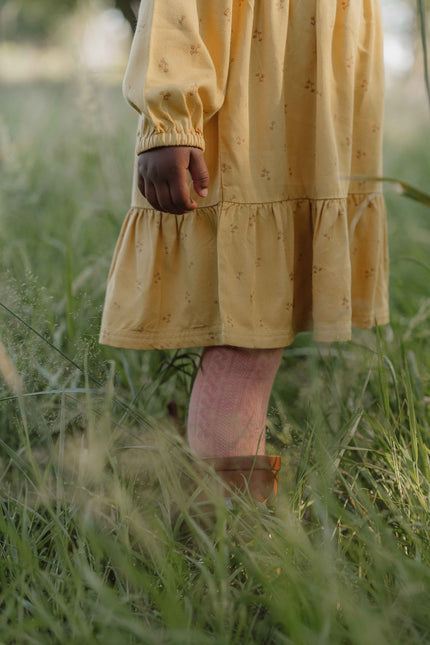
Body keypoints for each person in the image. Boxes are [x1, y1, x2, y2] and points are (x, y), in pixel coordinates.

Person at [99, 0, 389, 502]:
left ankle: (229, 544)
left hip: (320, 69)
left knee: (254, 336)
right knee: (244, 338)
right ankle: (228, 553)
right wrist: (171, 118)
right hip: (250, 85)